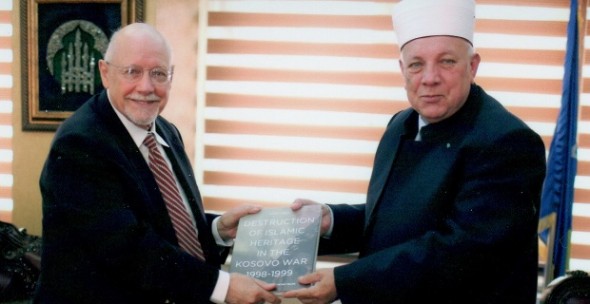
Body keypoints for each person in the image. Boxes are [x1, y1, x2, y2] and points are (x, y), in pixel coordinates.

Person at [283, 0, 547, 303]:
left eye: (447, 61)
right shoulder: (401, 123)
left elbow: (461, 252)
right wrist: (331, 221)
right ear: (402, 69)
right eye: (416, 64)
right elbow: (400, 218)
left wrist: (345, 281)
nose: (429, 77)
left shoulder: (506, 141)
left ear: (472, 66)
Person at [34, 23, 281, 304]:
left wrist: (216, 230)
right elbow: (129, 250)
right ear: (105, 73)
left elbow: (163, 224)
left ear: (171, 77)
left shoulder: (164, 130)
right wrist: (223, 287)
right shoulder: (81, 145)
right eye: (132, 72)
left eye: (158, 73)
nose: (146, 87)